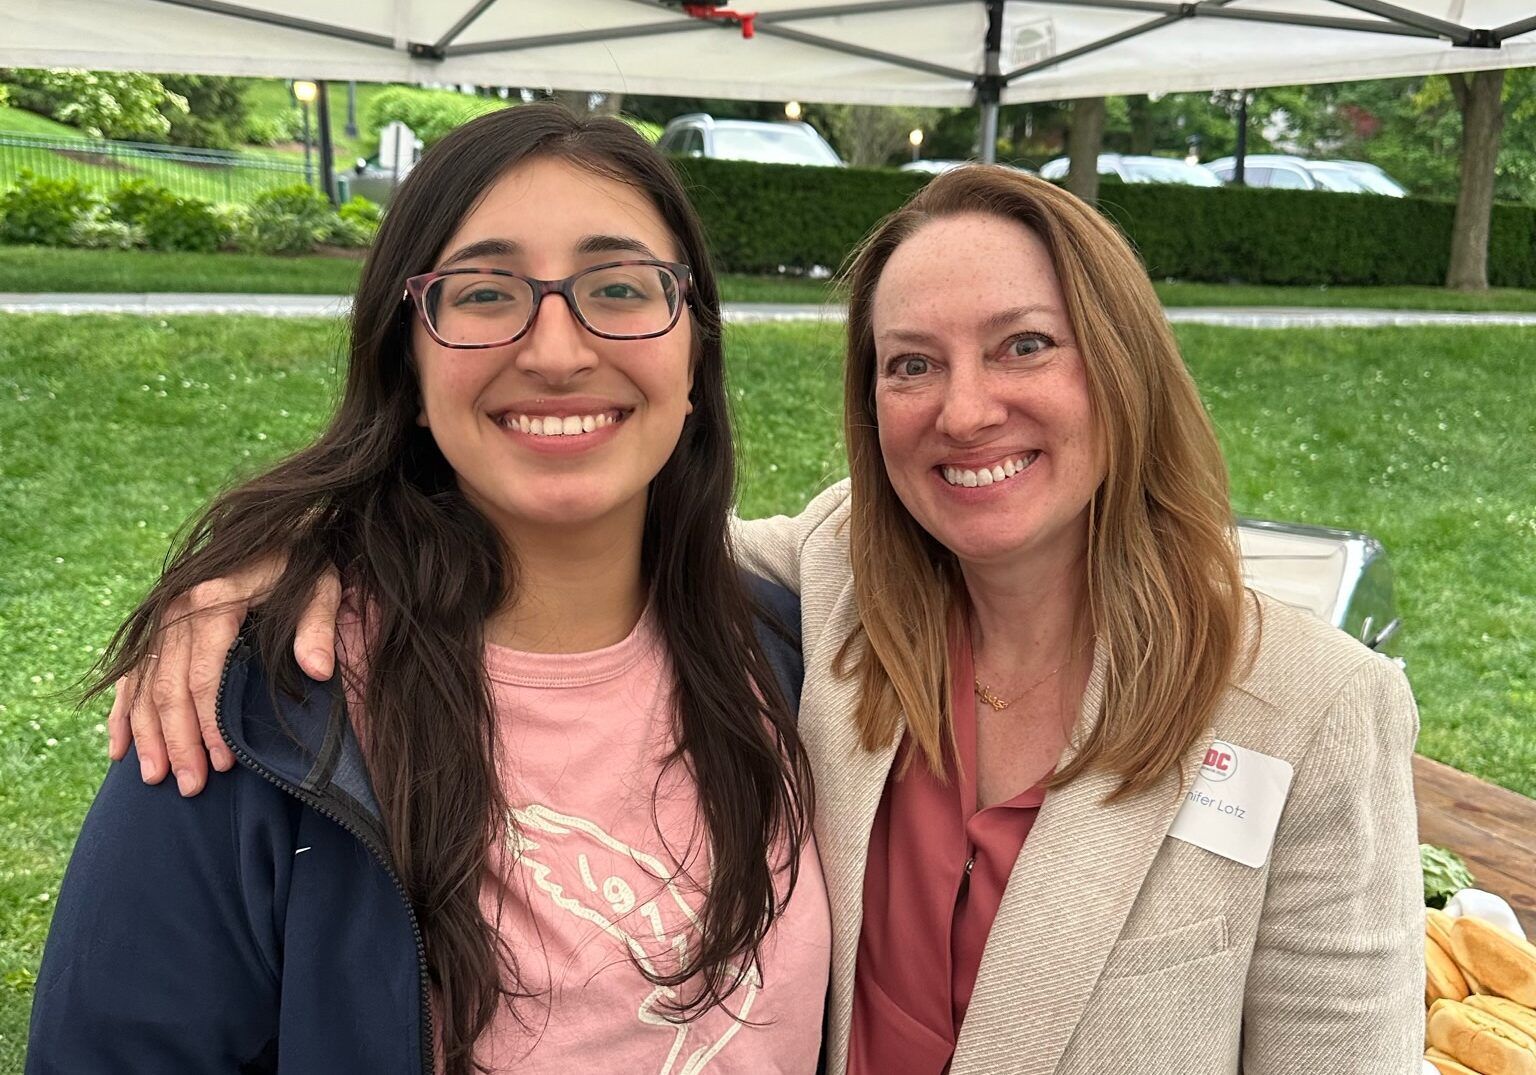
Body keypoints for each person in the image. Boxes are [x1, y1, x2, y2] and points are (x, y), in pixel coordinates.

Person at [96, 165, 1423, 1073]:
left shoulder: (1309, 706)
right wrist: (298, 542)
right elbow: (590, 509)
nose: (965, 410)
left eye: (1027, 344)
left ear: (1123, 365)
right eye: (910, 363)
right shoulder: (837, 588)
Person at [28, 104, 828, 1075]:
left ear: (694, 351)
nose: (557, 352)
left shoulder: (795, 651)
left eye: (620, 287)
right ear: (408, 363)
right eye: (484, 293)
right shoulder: (255, 717)